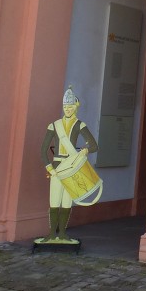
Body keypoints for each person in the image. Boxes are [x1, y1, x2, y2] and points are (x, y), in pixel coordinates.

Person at [38, 86, 99, 244]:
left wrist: (84, 150)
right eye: (65, 107)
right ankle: (52, 234)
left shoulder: (79, 125)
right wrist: (49, 167)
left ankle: (63, 233)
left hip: (72, 167)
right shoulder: (54, 125)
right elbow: (43, 150)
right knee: (54, 201)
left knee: (66, 201)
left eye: (70, 106)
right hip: (57, 167)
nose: (68, 109)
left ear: (76, 107)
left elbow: (93, 145)